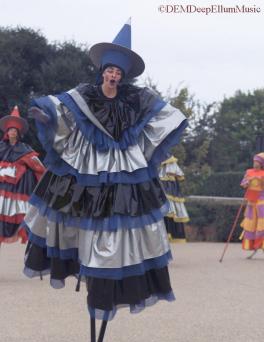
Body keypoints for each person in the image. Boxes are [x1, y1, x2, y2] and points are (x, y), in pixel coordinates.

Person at [23, 19, 188, 321]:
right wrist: (45, 114)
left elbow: (159, 112)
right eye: (110, 70)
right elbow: (62, 108)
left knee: (122, 219)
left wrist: (173, 118)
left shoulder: (133, 99)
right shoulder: (85, 93)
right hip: (88, 165)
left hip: (124, 168)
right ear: (103, 71)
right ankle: (78, 261)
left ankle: (110, 276)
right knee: (71, 205)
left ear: (123, 76)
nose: (113, 75)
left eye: (118, 72)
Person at [0, 106, 45, 244]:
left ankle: (17, 232)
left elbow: (37, 165)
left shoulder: (25, 149)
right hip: (3, 183)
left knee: (16, 208)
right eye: (10, 130)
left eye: (14, 130)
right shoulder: (1, 146)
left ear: (18, 133)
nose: (12, 132)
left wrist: (46, 176)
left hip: (19, 186)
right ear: (7, 132)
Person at [159, 156, 189, 242]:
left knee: (170, 210)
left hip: (169, 191)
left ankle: (169, 235)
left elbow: (177, 176)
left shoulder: (169, 161)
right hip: (163, 190)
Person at [240, 152, 264, 257]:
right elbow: (243, 183)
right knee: (252, 224)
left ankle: (261, 245)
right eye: (254, 161)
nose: (255, 164)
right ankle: (254, 246)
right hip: (251, 201)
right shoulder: (248, 172)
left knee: (262, 223)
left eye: (257, 162)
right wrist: (247, 183)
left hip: (261, 200)